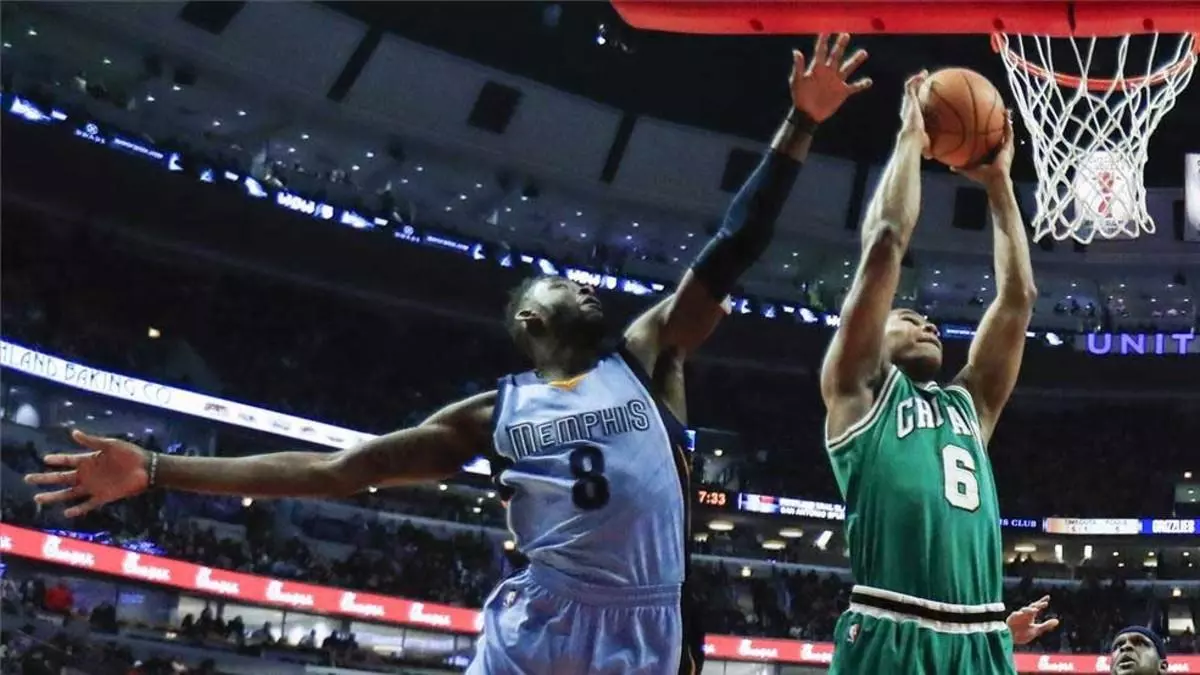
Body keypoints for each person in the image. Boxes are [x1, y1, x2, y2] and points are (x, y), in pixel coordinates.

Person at [26, 34, 874, 675]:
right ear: (530, 322)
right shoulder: (492, 412)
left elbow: (733, 246)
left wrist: (800, 123)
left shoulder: (647, 353)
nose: (582, 286)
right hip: (542, 618)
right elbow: (339, 469)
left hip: (646, 623)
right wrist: (158, 467)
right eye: (560, 286)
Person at [817, 71, 1055, 674]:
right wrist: (910, 139)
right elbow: (885, 243)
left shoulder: (968, 407)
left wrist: (999, 187)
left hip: (980, 636)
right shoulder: (858, 391)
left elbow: (1018, 298)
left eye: (927, 320)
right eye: (907, 317)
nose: (926, 323)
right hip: (892, 629)